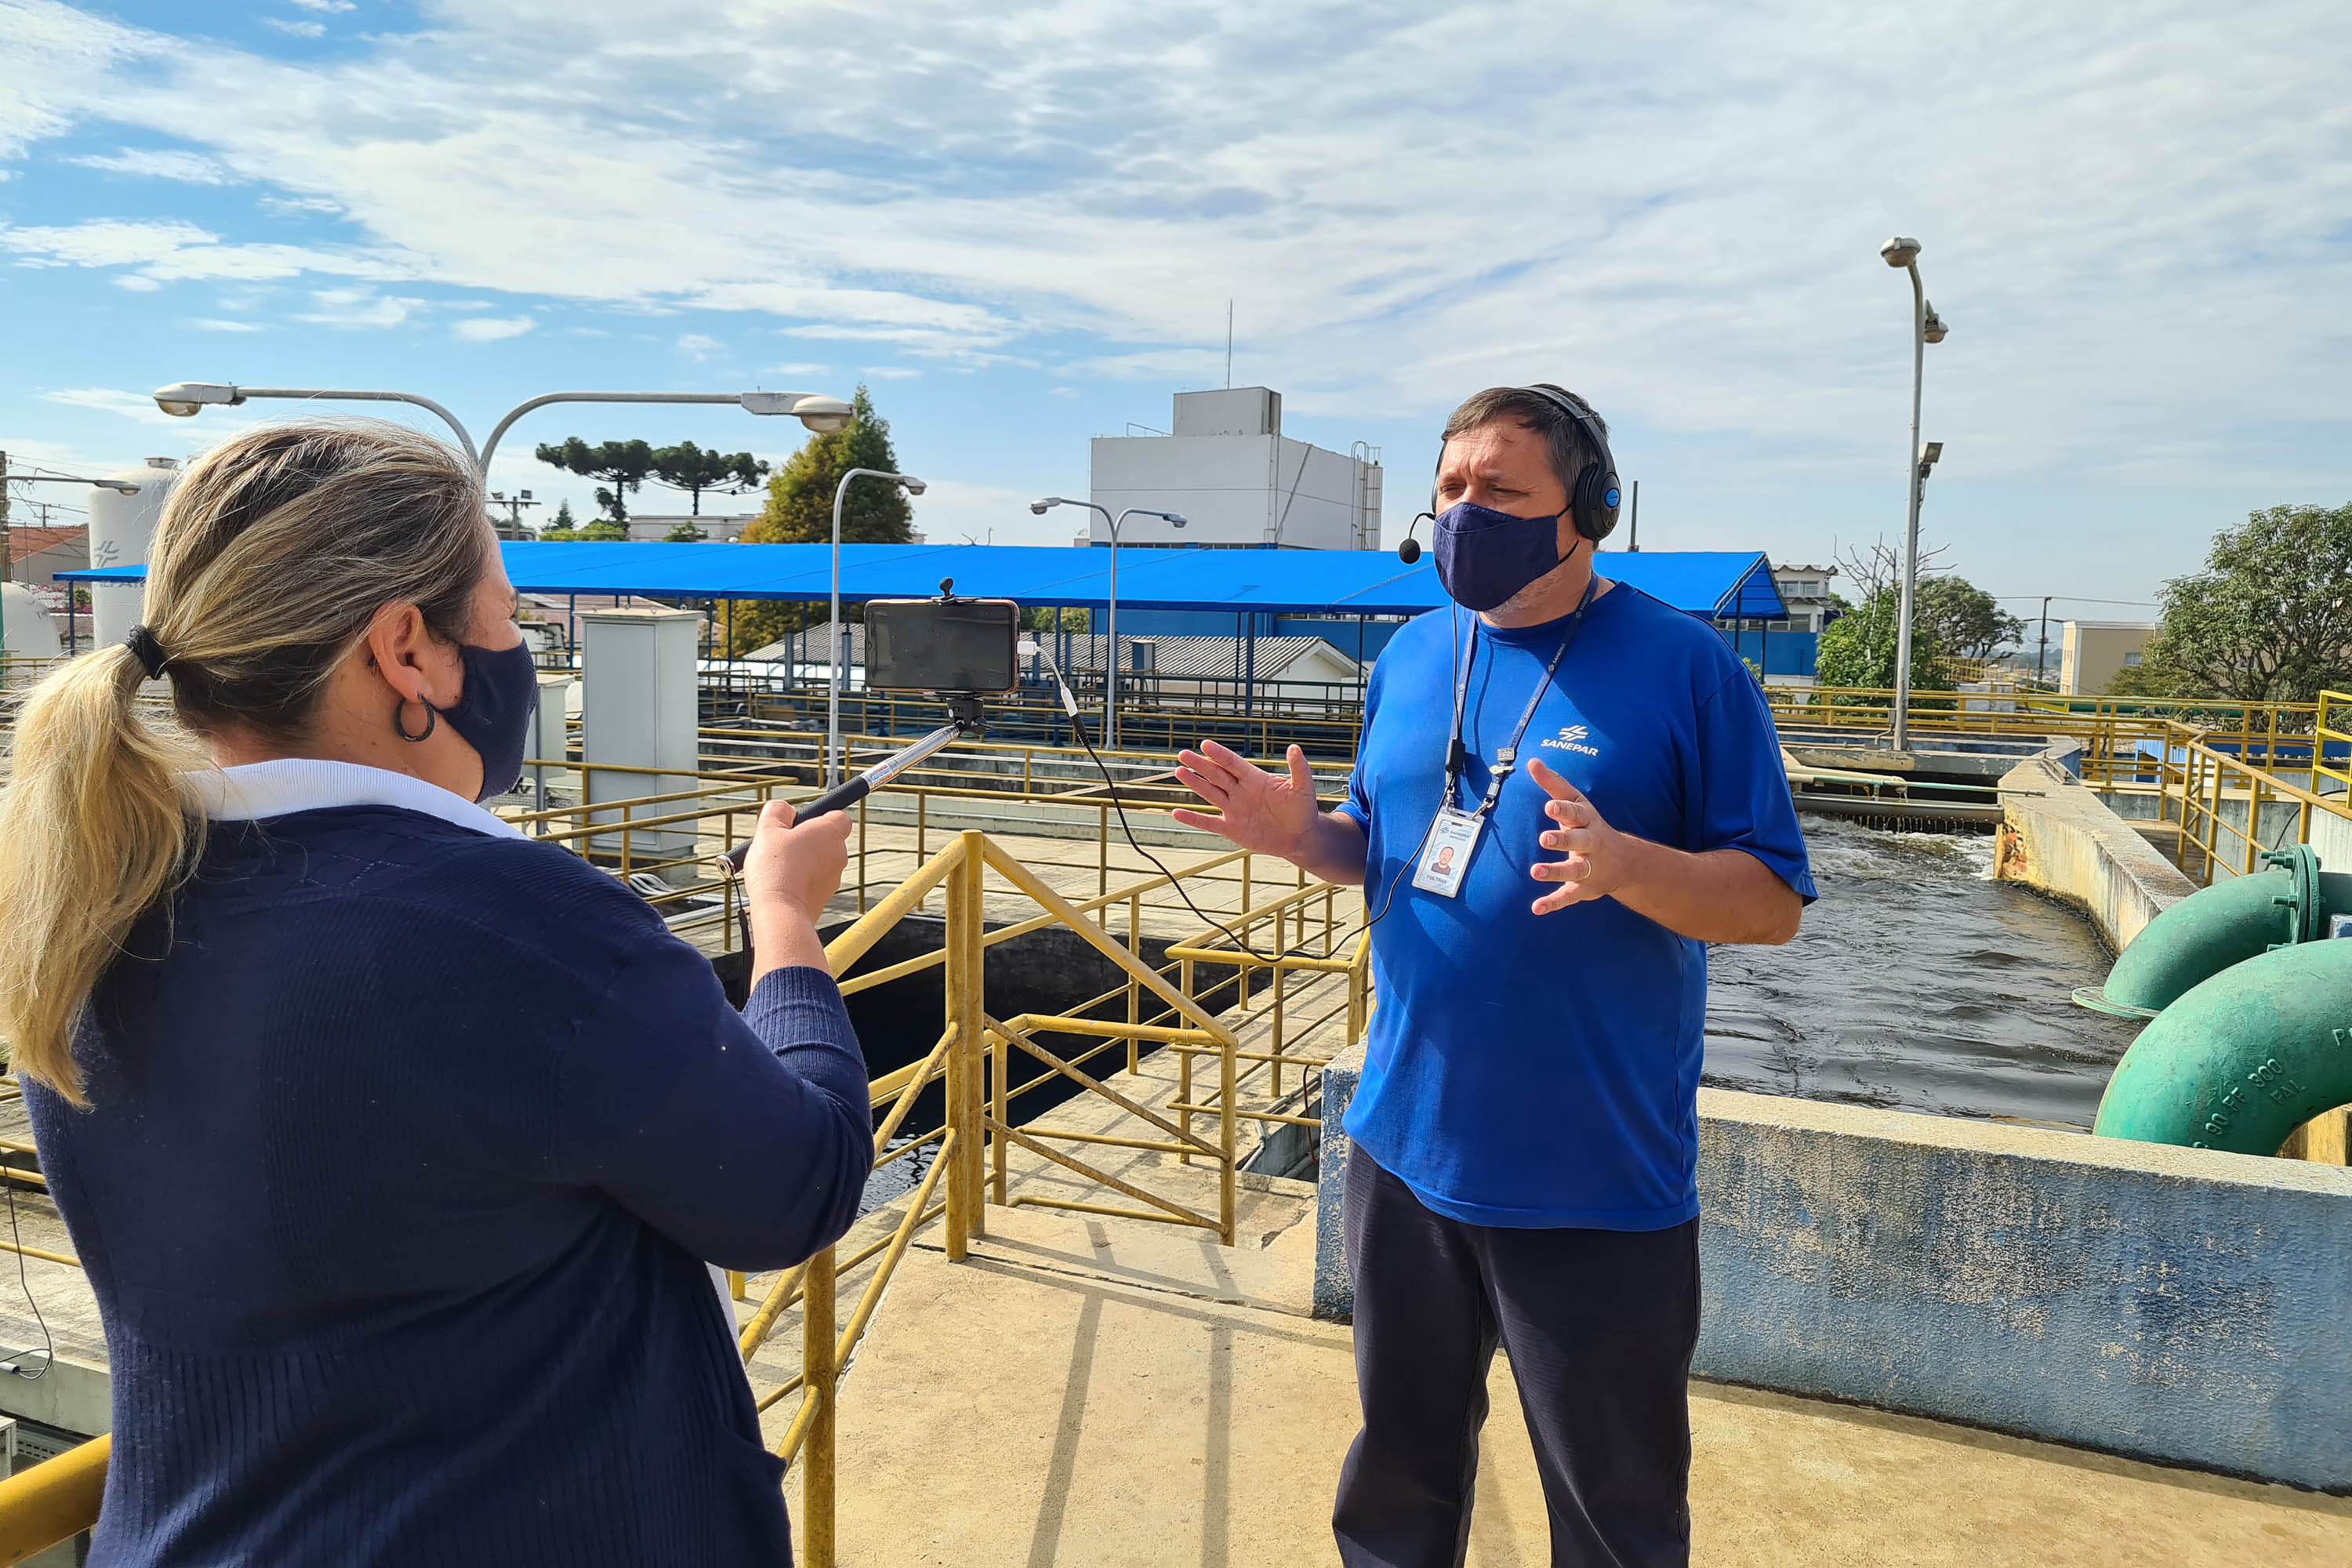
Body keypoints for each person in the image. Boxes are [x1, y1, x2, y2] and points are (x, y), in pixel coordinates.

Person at [0, 420, 873, 1566]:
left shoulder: (92, 900)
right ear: (407, 649)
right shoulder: (515, 922)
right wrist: (786, 922)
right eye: (507, 620)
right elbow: (792, 1191)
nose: (521, 657)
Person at [1173, 385, 1813, 1568]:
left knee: (1612, 1512)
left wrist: (1629, 867)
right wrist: (1295, 837)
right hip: (1402, 1153)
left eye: (1503, 491)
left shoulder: (1687, 671)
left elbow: (1771, 905)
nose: (1468, 513)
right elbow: (1388, 851)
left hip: (1593, 1177)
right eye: (1454, 489)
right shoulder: (1414, 653)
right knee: (1398, 1480)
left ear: (1591, 510)